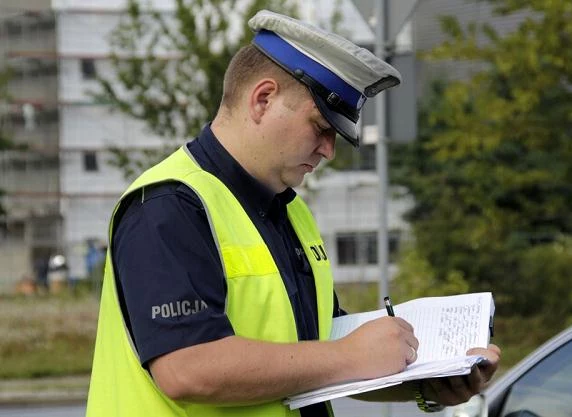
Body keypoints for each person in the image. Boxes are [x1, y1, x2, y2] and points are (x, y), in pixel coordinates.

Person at [86, 10, 501, 417]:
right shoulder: (168, 206)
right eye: (321, 127)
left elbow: (316, 357)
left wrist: (428, 386)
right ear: (263, 99)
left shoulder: (289, 209)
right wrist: (346, 356)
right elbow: (186, 369)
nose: (328, 150)